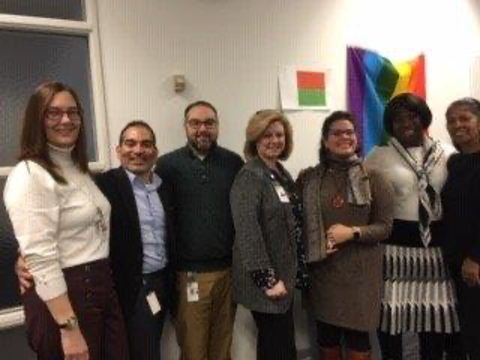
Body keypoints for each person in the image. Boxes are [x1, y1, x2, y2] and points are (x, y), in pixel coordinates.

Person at [3, 81, 128, 360]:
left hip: (101, 286)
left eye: (73, 112)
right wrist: (68, 328)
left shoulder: (77, 167)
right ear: (38, 119)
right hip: (65, 300)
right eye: (54, 113)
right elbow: (41, 257)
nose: (66, 120)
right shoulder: (30, 174)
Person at [366, 93, 460, 360]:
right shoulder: (378, 156)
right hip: (395, 251)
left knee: (432, 317)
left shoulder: (447, 154)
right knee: (392, 319)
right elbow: (357, 188)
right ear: (390, 125)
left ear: (424, 118)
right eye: (397, 119)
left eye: (412, 116)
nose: (406, 123)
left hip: (436, 251)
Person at [297, 110, 393, 360]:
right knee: (326, 339)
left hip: (361, 276)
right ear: (325, 140)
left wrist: (352, 232)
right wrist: (312, 245)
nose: (344, 137)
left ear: (357, 138)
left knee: (359, 341)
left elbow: (384, 227)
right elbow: (297, 224)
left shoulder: (374, 177)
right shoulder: (308, 178)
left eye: (349, 132)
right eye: (337, 133)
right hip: (323, 272)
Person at [155, 101, 244, 360]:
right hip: (189, 276)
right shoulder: (166, 166)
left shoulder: (233, 162)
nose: (202, 129)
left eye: (209, 123)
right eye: (195, 123)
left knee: (222, 347)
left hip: (228, 273)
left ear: (217, 126)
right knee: (193, 350)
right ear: (185, 127)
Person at [230, 109, 308, 360]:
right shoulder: (250, 176)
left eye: (279, 135)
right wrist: (267, 279)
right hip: (266, 281)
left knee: (276, 345)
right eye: (267, 135)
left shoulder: (279, 172)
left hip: (283, 275)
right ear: (255, 139)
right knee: (280, 348)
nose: (275, 140)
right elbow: (247, 231)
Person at [95, 120, 174, 360]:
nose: (138, 150)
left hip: (161, 282)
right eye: (130, 143)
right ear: (118, 151)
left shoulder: (164, 186)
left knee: (150, 346)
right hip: (129, 287)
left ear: (155, 152)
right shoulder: (104, 185)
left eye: (146, 144)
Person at [442, 98, 480, 360]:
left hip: (474, 264)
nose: (457, 125)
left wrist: (475, 258)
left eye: (465, 118)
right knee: (463, 333)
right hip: (455, 262)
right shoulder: (455, 162)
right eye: (452, 120)